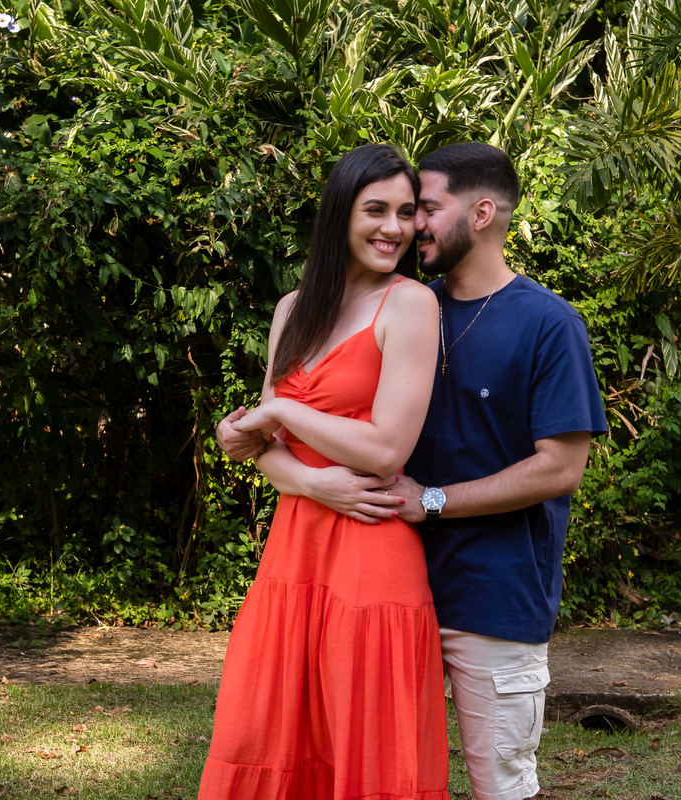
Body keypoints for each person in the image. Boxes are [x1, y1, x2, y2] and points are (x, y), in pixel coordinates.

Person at [218, 141, 607, 800]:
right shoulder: (402, 301)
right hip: (377, 560)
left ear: (481, 214)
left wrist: (430, 500)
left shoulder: (547, 322)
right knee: (332, 756)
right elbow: (286, 441)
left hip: (491, 591)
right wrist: (294, 467)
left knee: (499, 783)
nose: (408, 226)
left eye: (422, 208)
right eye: (393, 209)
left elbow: (561, 469)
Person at [198, 143, 451, 800]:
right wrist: (310, 481)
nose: (393, 228)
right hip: (296, 548)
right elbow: (264, 448)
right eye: (376, 210)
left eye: (406, 213)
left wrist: (280, 409)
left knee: (365, 749)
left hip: (371, 548)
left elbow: (385, 450)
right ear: (340, 213)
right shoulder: (294, 308)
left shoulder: (410, 305)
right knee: (267, 733)